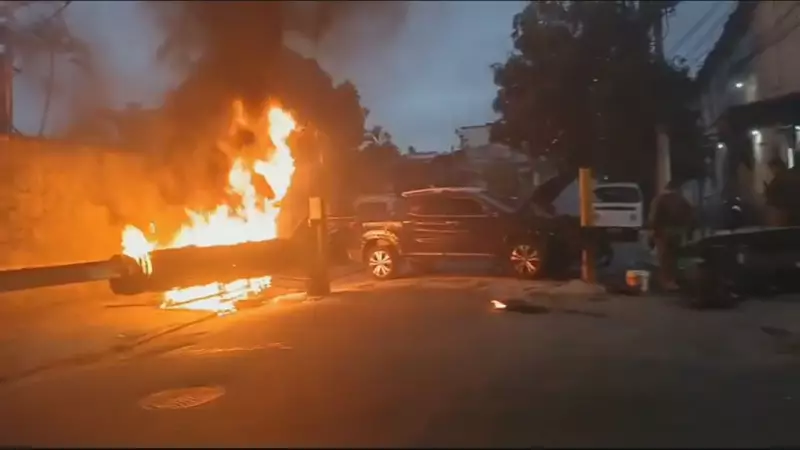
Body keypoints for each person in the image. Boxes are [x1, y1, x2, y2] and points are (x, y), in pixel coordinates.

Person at [647, 180, 695, 291]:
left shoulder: (661, 200)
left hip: (662, 232)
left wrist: (652, 232)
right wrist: (689, 230)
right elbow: (691, 216)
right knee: (673, 257)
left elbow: (654, 218)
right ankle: (672, 280)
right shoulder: (682, 200)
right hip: (678, 232)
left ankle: (665, 282)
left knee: (664, 258)